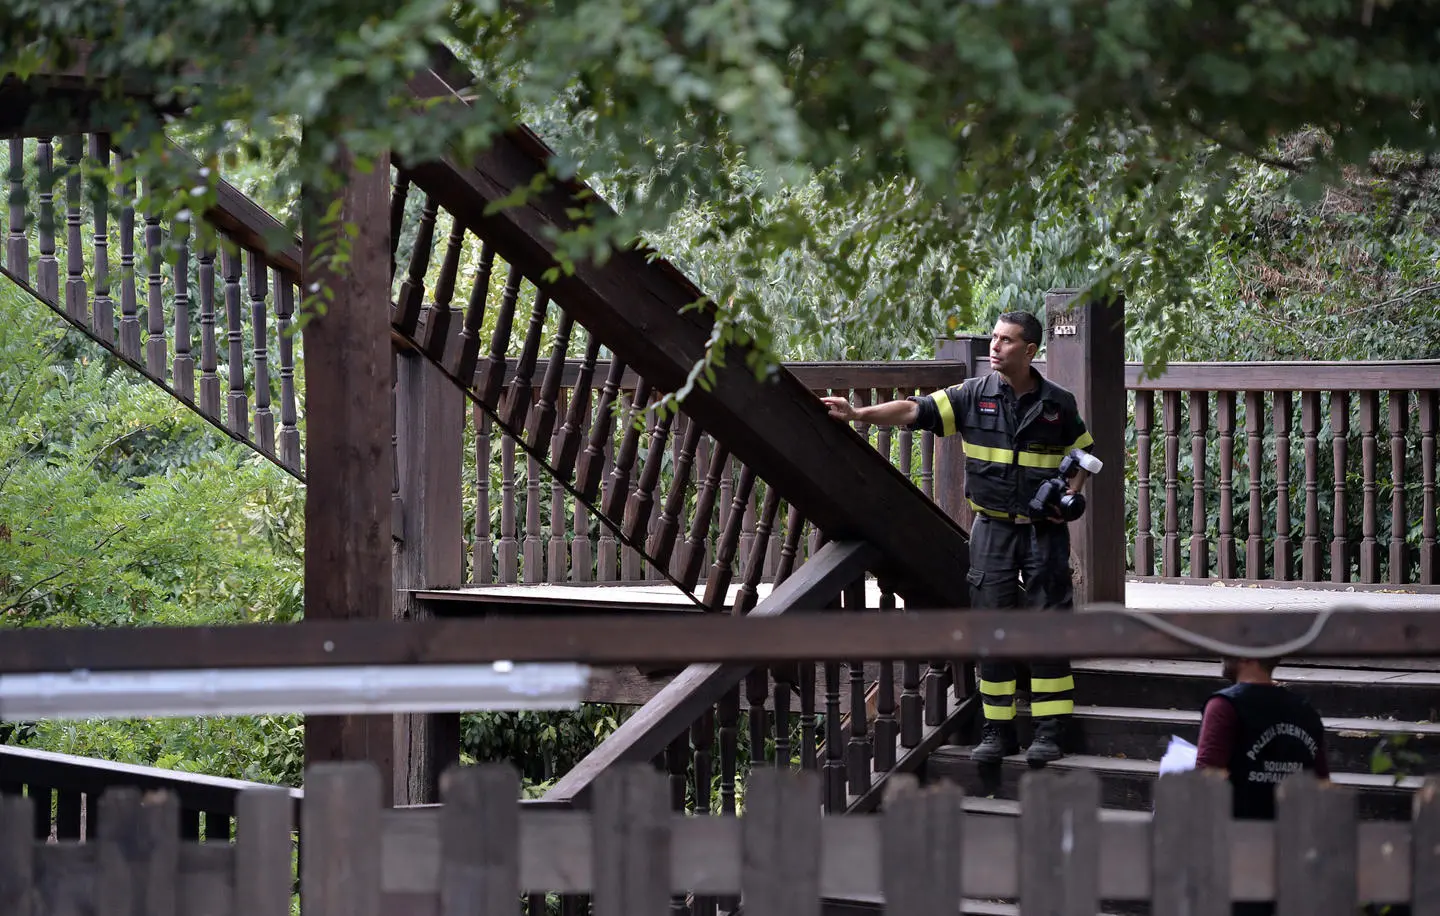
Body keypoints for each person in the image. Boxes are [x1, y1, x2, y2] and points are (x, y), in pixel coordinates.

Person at [821, 311, 1093, 764]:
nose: (995, 346)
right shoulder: (972, 395)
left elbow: (1083, 455)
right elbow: (913, 409)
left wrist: (1069, 498)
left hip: (1045, 534)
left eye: (1006, 341)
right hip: (992, 530)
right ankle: (997, 731)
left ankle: (1050, 732)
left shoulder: (1057, 403)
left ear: (1029, 351)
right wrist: (859, 414)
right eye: (993, 338)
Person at [1195, 656, 1329, 916]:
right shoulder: (1306, 711)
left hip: (1238, 851)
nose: (1221, 653)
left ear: (1247, 654)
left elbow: (1205, 782)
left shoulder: (1225, 705)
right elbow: (1323, 788)